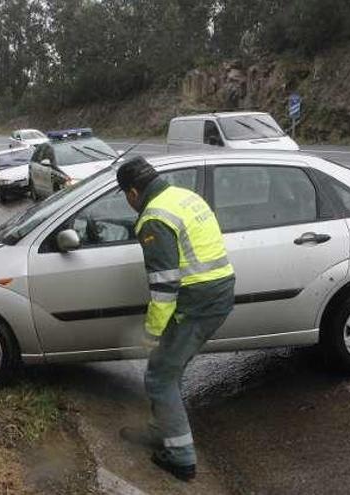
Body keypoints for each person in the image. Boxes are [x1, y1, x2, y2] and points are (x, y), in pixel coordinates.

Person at [116, 156, 235, 481]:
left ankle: (181, 458)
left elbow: (165, 285)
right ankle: (162, 431)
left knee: (159, 377)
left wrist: (152, 332)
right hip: (217, 292)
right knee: (168, 367)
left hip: (196, 302)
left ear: (132, 193)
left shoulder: (154, 217)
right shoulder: (184, 196)